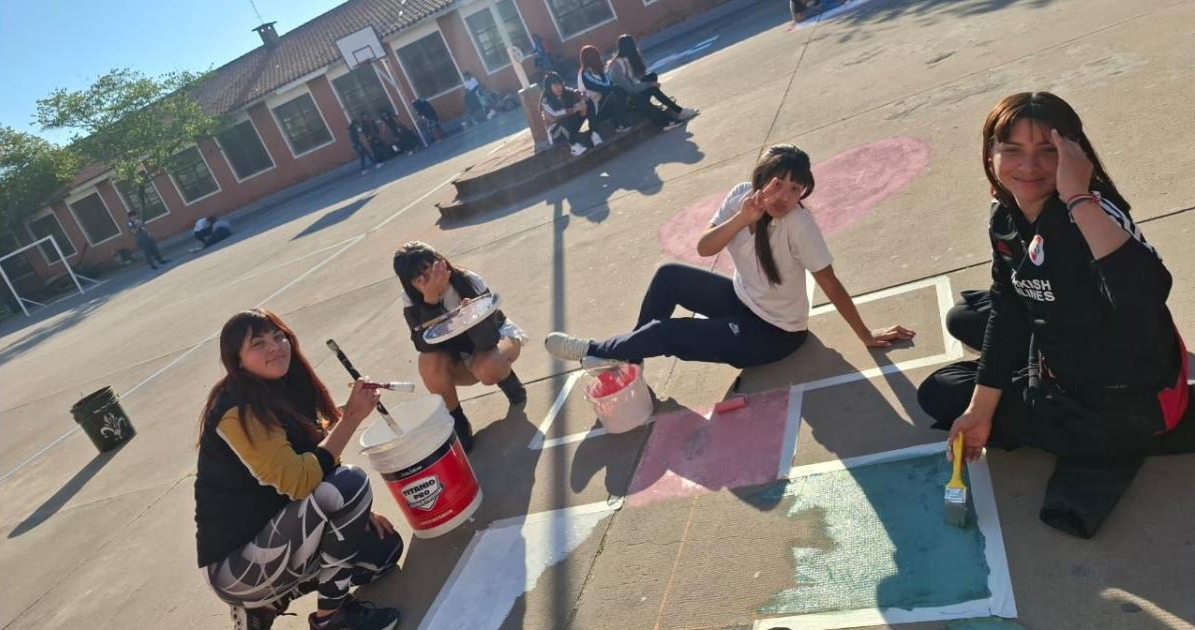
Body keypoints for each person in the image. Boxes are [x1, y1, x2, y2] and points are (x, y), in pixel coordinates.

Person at [916, 92, 1194, 538]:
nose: (1029, 167)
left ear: (1075, 154)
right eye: (1012, 149)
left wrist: (1079, 197)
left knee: (939, 390)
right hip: (1069, 335)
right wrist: (981, 407)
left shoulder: (1092, 212)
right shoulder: (1006, 215)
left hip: (1115, 402)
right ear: (990, 153)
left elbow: (1147, 297)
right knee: (967, 314)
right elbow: (1007, 306)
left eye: (1048, 150)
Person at [545, 145, 914, 371]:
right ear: (762, 178)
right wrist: (743, 218)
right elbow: (705, 248)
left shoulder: (799, 224)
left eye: (795, 188)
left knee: (667, 333)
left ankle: (595, 351)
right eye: (778, 183)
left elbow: (829, 282)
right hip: (742, 301)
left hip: (774, 334)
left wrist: (865, 334)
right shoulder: (741, 196)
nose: (785, 195)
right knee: (669, 276)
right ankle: (631, 357)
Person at [194, 309, 403, 630]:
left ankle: (267, 604)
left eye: (279, 337)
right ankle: (332, 620)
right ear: (236, 360)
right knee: (351, 483)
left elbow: (318, 455)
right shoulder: (237, 411)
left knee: (383, 551)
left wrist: (358, 513)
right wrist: (352, 420)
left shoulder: (285, 385)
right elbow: (300, 481)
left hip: (280, 537)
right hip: (237, 566)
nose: (275, 347)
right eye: (258, 343)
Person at [393, 242, 528, 452]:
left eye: (433, 268)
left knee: (487, 367)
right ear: (410, 284)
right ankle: (459, 423)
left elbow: (488, 339)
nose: (432, 278)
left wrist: (470, 317)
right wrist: (430, 302)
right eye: (421, 278)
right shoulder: (411, 301)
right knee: (427, 363)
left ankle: (510, 382)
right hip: (459, 355)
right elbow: (423, 343)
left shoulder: (467, 280)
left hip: (494, 340)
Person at [606, 34, 697, 129]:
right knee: (650, 88)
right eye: (634, 46)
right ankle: (669, 120)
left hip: (633, 94)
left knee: (652, 78)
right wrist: (649, 84)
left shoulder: (626, 60)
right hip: (627, 101)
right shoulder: (616, 66)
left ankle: (679, 112)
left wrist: (647, 81)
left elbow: (638, 79)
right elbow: (630, 89)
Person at [540, 72, 601, 156]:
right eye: (555, 86)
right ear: (549, 88)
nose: (559, 88)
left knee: (588, 102)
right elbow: (555, 115)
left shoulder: (567, 92)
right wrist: (574, 109)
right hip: (557, 133)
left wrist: (583, 101)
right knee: (564, 120)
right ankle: (573, 146)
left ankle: (594, 133)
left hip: (570, 126)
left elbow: (580, 94)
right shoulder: (545, 101)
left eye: (560, 84)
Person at [577, 45, 632, 133]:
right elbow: (599, 87)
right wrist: (612, 87)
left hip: (607, 101)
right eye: (596, 56)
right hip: (597, 109)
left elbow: (608, 83)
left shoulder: (599, 70)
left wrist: (612, 87)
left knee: (616, 89)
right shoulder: (584, 74)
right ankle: (620, 125)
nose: (599, 57)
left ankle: (624, 117)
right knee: (611, 93)